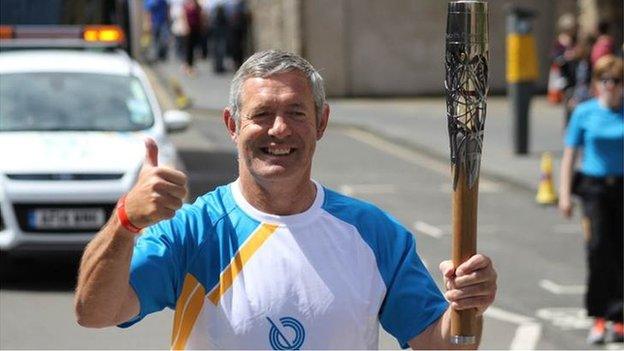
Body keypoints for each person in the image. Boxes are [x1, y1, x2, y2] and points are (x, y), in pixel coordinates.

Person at [74, 50, 497, 349]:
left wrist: (468, 307)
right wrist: (125, 222)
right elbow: (94, 312)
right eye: (261, 114)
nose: (279, 130)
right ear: (232, 125)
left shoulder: (374, 235)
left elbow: (443, 347)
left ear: (322, 122)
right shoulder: (194, 231)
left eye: (296, 112)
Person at [558, 55, 624, 344]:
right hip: (593, 188)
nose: (610, 86)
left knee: (621, 251)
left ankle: (620, 317)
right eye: (604, 80)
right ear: (597, 83)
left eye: (616, 81)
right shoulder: (584, 113)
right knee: (598, 249)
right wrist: (563, 195)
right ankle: (599, 316)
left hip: (622, 187)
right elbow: (570, 155)